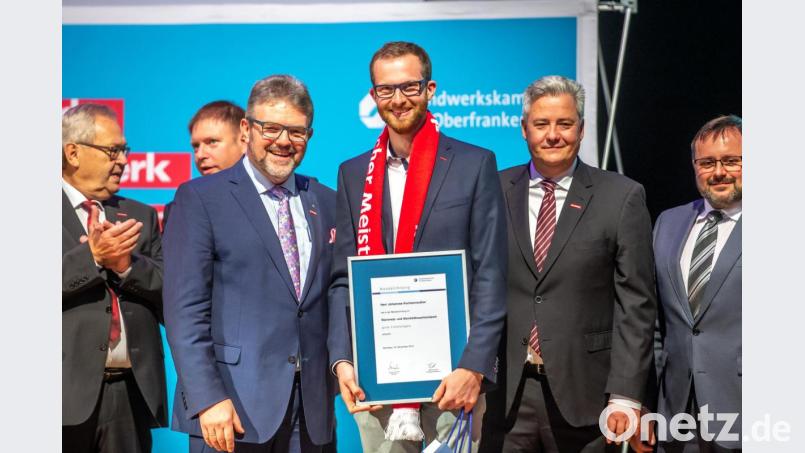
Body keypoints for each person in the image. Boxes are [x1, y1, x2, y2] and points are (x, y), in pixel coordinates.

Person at [328, 41, 507, 452]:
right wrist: (342, 360)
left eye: (409, 86)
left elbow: (491, 275)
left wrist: (474, 368)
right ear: (373, 96)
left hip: (452, 382)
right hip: (376, 386)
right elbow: (342, 280)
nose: (398, 99)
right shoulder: (353, 174)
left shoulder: (473, 164)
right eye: (386, 90)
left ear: (431, 89)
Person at [479, 75, 657, 453]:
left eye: (564, 124)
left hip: (587, 396)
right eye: (541, 124)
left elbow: (637, 305)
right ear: (524, 129)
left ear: (582, 128)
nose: (553, 135)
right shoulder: (491, 190)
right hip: (506, 394)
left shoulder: (622, 196)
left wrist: (626, 394)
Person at [164, 75, 336, 453]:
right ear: (247, 129)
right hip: (231, 409)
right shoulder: (200, 199)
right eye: (270, 128)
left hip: (311, 412)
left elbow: (334, 296)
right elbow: (184, 311)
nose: (283, 141)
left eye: (296, 131)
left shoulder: (325, 200)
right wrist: (207, 399)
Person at [62, 103, 168, 452]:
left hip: (129, 396)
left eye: (125, 150)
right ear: (73, 152)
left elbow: (170, 291)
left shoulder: (139, 216)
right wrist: (91, 257)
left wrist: (126, 266)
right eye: (113, 150)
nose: (123, 160)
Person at [653, 115, 742, 452]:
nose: (718, 171)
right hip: (677, 416)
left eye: (732, 161)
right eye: (707, 162)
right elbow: (656, 321)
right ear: (694, 165)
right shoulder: (669, 222)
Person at [163, 100, 246, 227]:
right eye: (196, 146)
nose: (200, 155)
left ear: (244, 141)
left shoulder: (273, 199)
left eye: (212, 142)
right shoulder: (180, 208)